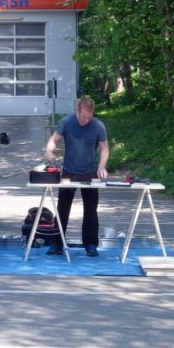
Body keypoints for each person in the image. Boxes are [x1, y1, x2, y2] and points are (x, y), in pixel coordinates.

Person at [43, 97, 109, 257]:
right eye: (84, 116)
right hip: (69, 172)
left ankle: (91, 244)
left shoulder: (98, 126)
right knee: (63, 209)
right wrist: (49, 150)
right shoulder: (66, 122)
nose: (87, 120)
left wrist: (102, 166)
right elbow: (54, 139)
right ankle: (57, 244)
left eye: (90, 117)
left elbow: (105, 148)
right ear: (77, 111)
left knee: (91, 211)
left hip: (90, 172)